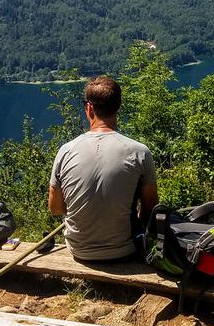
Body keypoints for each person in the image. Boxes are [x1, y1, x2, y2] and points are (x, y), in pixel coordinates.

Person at [48, 75, 158, 262]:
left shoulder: (66, 151)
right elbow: (150, 209)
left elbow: (55, 208)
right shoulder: (139, 152)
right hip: (125, 250)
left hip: (79, 250)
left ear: (89, 108)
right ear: (118, 107)